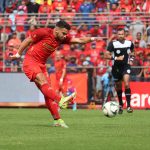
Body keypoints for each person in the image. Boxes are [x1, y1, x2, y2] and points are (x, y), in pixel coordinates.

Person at [10, 20, 100, 128]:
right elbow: (28, 40)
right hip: (30, 61)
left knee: (47, 92)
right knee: (43, 82)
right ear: (56, 30)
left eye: (66, 34)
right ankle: (60, 100)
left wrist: (93, 38)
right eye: (63, 33)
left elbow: (80, 40)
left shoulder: (61, 38)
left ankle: (57, 120)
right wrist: (18, 54)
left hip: (41, 65)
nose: (65, 36)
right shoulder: (43, 32)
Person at [105, 28, 134, 114]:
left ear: (125, 34)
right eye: (119, 34)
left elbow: (133, 52)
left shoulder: (129, 43)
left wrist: (131, 59)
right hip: (116, 67)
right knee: (118, 86)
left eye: (122, 34)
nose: (121, 36)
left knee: (126, 83)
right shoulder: (113, 43)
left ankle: (128, 106)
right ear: (117, 35)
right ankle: (121, 104)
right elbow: (106, 55)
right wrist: (116, 58)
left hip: (126, 66)